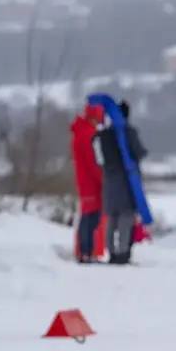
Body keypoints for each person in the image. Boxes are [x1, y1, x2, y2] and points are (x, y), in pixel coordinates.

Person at [93, 99, 148, 265]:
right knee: (126, 217)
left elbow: (99, 158)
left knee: (112, 218)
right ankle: (123, 253)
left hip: (109, 181)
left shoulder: (103, 135)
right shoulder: (128, 132)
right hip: (127, 181)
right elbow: (139, 152)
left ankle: (111, 252)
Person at [70, 102, 104, 263]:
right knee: (91, 218)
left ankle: (84, 251)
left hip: (84, 181)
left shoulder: (80, 133)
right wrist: (103, 179)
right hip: (91, 183)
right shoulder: (88, 135)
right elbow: (93, 162)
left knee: (88, 216)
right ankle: (86, 252)